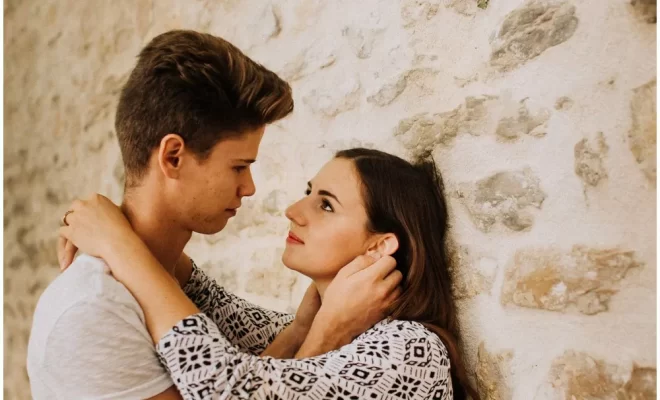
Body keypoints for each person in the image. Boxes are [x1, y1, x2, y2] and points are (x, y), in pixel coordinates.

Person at [27, 30, 399, 400]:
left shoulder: (168, 282)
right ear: (173, 157)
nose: (249, 187)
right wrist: (326, 336)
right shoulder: (95, 309)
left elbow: (240, 383)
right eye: (238, 167)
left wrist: (304, 331)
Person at [59, 148, 481, 400]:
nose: (294, 211)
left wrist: (118, 243)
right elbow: (203, 297)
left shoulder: (411, 351)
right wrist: (118, 219)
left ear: (377, 246)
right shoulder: (301, 326)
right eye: (308, 193)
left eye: (326, 204)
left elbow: (223, 387)